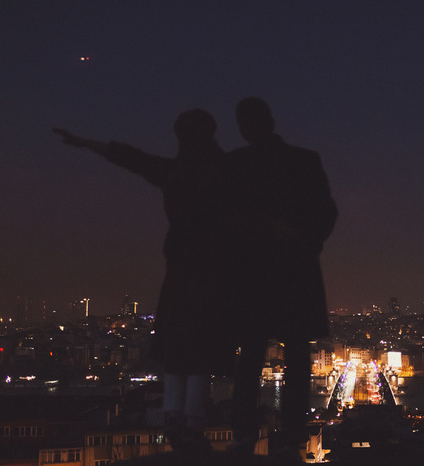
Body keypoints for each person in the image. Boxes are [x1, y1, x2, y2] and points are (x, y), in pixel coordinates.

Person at [53, 109, 229, 454]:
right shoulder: (224, 172)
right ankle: (191, 420)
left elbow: (131, 158)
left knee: (179, 345)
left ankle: (175, 417)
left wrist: (85, 143)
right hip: (214, 269)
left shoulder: (175, 172)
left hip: (180, 266)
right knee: (201, 346)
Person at [223, 98, 337, 461]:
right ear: (271, 121)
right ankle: (290, 438)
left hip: (252, 271)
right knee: (298, 356)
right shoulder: (305, 160)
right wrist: (303, 241)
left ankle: (243, 434)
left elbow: (223, 216)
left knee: (250, 354)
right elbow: (326, 212)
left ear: (243, 127)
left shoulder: (236, 165)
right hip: (295, 269)